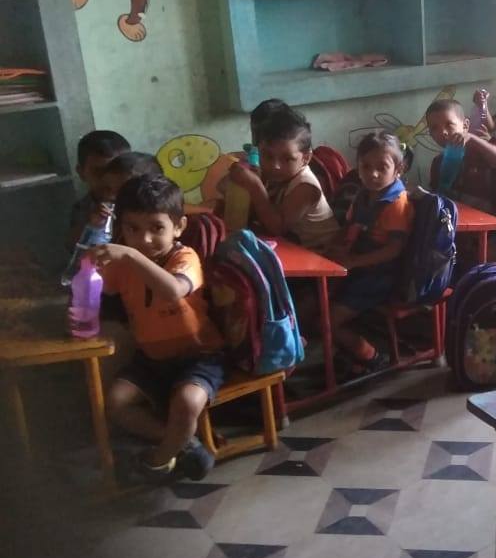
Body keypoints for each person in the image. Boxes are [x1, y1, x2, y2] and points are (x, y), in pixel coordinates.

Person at [91, 175, 225, 484]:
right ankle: (185, 443)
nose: (145, 239)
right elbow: (94, 285)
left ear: (178, 227)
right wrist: (94, 240)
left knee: (187, 403)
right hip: (151, 360)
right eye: (133, 229)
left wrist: (130, 255)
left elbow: (173, 290)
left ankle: (156, 462)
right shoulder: (123, 264)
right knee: (114, 403)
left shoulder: (184, 257)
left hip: (199, 357)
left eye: (156, 228)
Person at [328, 132, 414, 374]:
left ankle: (372, 357)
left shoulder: (395, 203)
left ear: (398, 169)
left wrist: (354, 261)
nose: (373, 174)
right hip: (360, 267)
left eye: (382, 167)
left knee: (327, 321)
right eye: (366, 166)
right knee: (316, 302)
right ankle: (345, 353)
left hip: (380, 276)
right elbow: (350, 227)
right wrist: (334, 249)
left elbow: (394, 250)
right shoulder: (363, 194)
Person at [226, 106, 339, 253]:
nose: (276, 166)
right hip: (292, 249)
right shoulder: (275, 175)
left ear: (306, 158)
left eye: (287, 159)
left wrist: (255, 186)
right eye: (268, 156)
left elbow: (277, 228)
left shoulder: (305, 186)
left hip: (324, 257)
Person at [425, 98, 496, 213]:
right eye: (434, 128)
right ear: (430, 134)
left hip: (485, 220)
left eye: (449, 125)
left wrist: (471, 138)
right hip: (453, 218)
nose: (443, 132)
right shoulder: (438, 162)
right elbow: (437, 194)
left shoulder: (479, 152)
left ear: (465, 125)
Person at [68, 129, 131, 249]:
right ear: (81, 173)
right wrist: (90, 225)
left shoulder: (140, 200)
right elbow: (72, 247)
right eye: (99, 172)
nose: (108, 179)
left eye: (117, 171)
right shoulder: (83, 208)